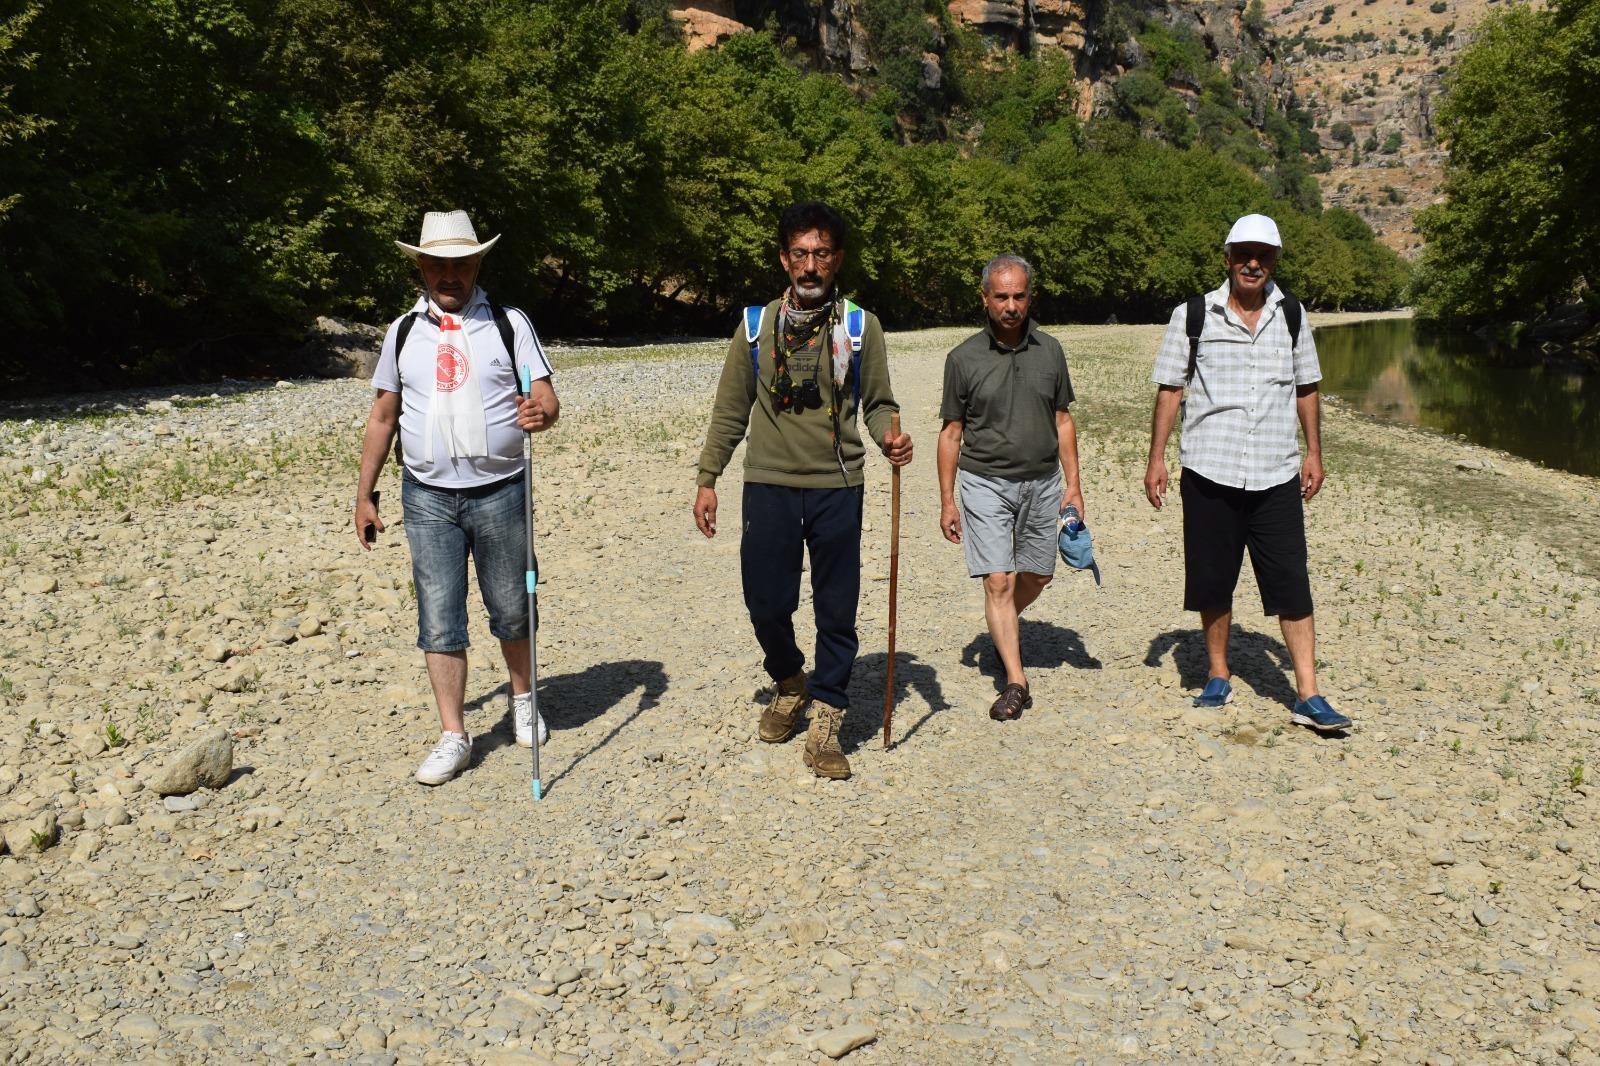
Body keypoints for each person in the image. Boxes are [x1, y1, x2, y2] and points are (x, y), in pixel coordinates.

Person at [693, 201, 913, 780]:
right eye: (800, 253)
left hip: (838, 483)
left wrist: (889, 437)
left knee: (837, 606)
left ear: (837, 259)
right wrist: (708, 478)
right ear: (784, 259)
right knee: (765, 601)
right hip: (769, 483)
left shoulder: (861, 327)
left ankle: (829, 715)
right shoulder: (756, 327)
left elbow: (879, 403)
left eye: (821, 253)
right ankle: (790, 680)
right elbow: (730, 409)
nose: (810, 264)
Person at [353, 210, 561, 784]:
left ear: (477, 265)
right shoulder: (402, 332)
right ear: (421, 267)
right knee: (439, 617)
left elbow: (547, 398)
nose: (450, 274)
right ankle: (454, 734)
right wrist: (364, 494)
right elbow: (383, 416)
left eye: (461, 263)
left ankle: (523, 702)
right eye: (439, 264)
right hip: (426, 497)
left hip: (501, 490)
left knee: (513, 606)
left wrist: (540, 413)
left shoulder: (509, 324)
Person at [1143, 213, 1352, 733]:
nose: (1252, 263)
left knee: (1291, 581)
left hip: (1276, 472)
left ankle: (1308, 693)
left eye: (1263, 255)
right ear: (1228, 258)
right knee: (1213, 578)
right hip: (1209, 468)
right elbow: (1170, 388)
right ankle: (1218, 674)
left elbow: (1307, 387)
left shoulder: (1293, 314)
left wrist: (1314, 452)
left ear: (1274, 261)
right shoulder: (1194, 315)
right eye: (1243, 254)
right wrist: (1156, 458)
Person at [937, 255, 1084, 722]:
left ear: (1030, 297)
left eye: (1019, 296)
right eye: (1001, 297)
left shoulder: (1051, 351)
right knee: (997, 580)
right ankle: (1016, 680)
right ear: (985, 298)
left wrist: (1074, 486)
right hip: (984, 481)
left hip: (1043, 482)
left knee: (1038, 575)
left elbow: (1062, 420)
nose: (1011, 305)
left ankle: (1001, 623)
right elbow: (951, 433)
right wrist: (947, 500)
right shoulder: (962, 358)